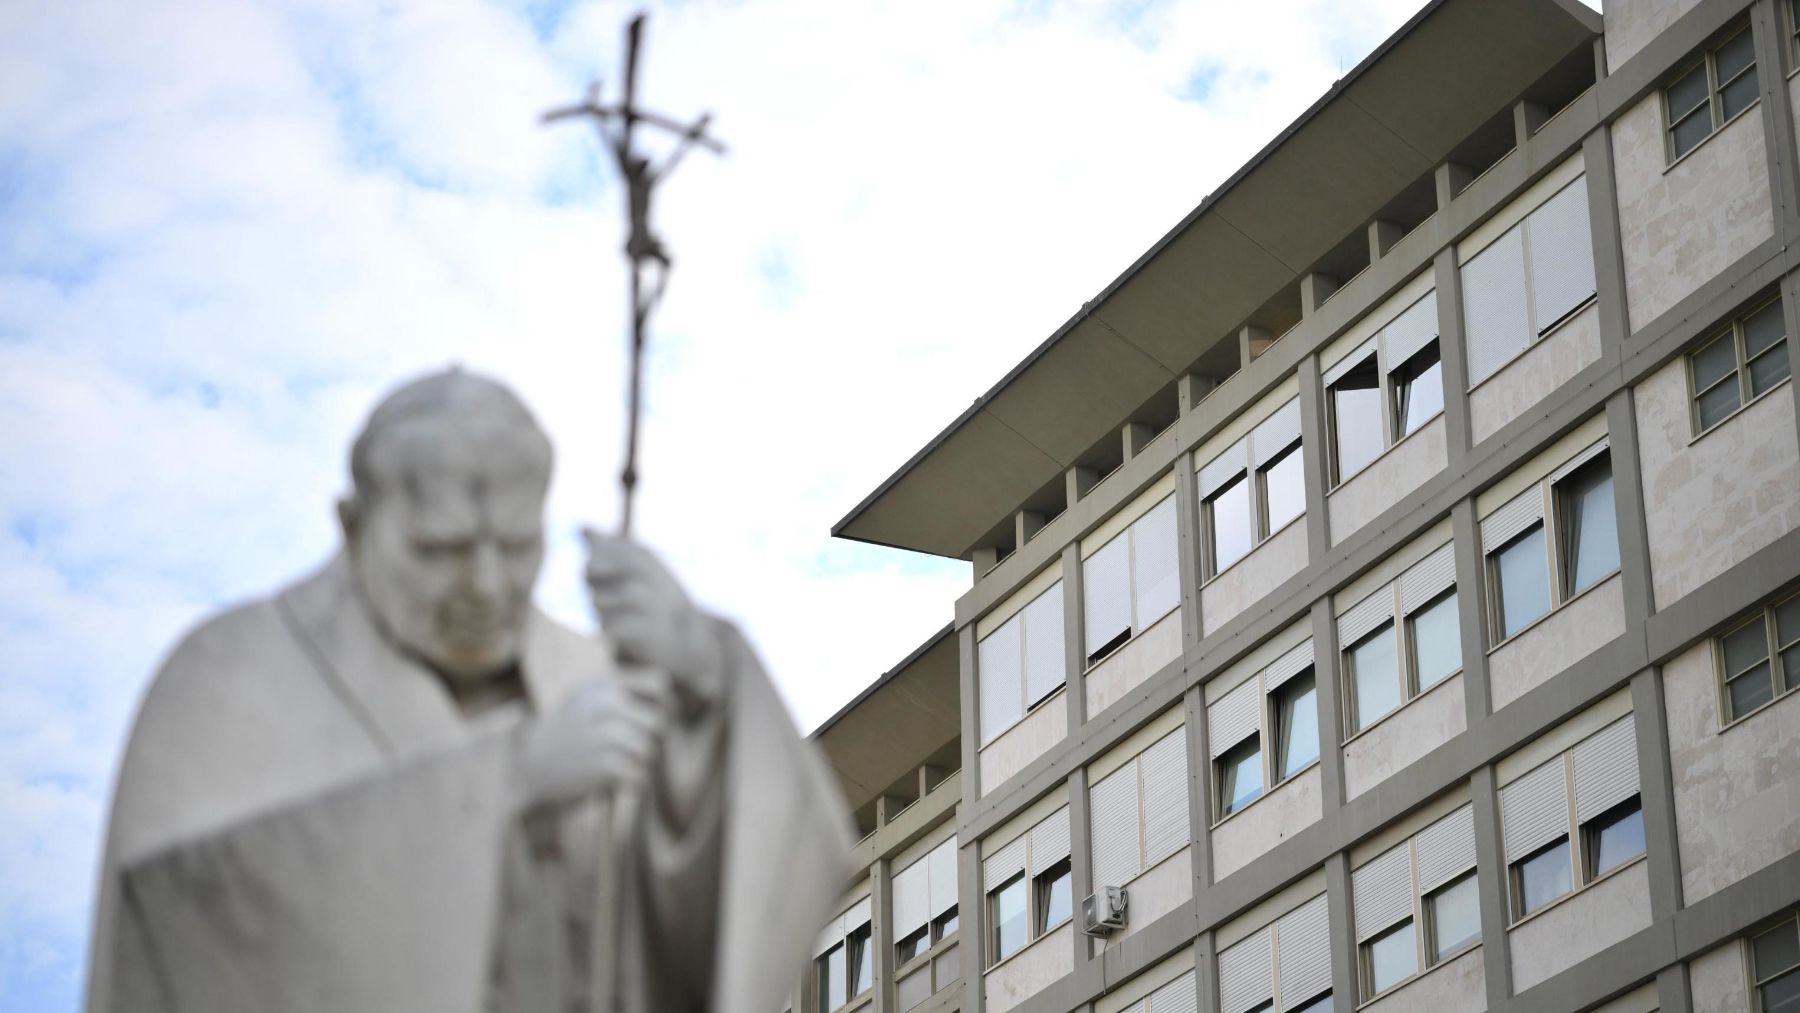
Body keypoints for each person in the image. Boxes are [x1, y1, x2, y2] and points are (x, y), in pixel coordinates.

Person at [84, 369, 849, 1013]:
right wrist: (506, 783)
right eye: (440, 550)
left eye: (517, 546)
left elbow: (716, 946)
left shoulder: (587, 682)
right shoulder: (230, 676)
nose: (486, 585)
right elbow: (188, 928)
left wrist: (706, 695)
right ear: (353, 526)